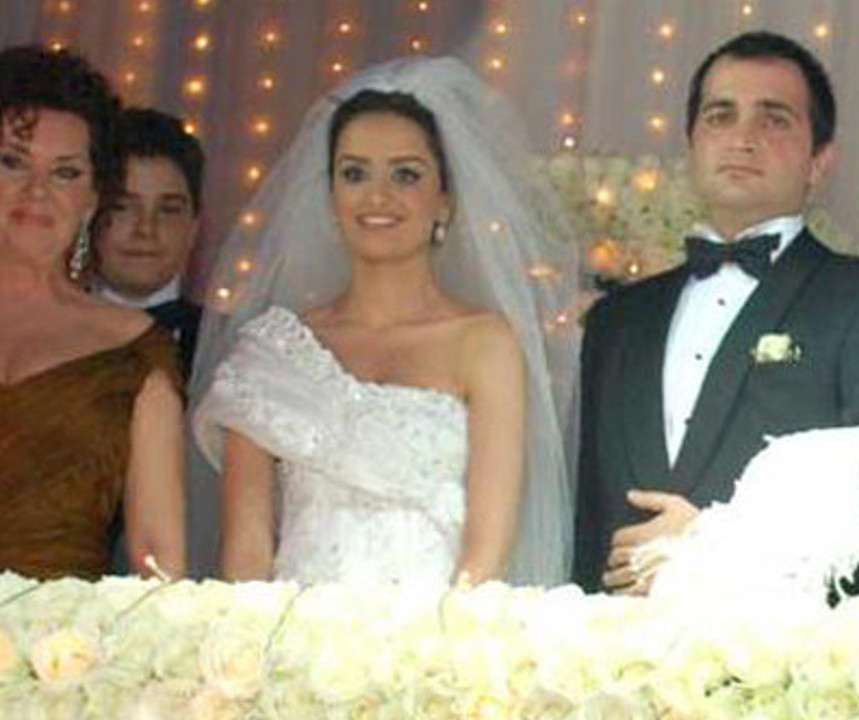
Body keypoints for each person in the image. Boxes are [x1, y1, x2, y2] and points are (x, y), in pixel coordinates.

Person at [574, 31, 859, 604]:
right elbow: (589, 516)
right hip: (615, 648)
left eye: (774, 119)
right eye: (720, 116)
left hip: (797, 650)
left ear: (819, 160)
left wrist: (718, 545)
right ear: (691, 144)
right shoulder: (616, 320)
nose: (742, 138)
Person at [191, 57, 578, 591]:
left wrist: (435, 636)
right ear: (330, 196)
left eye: (406, 174)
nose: (377, 196)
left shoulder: (483, 343)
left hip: (437, 628)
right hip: (293, 628)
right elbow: (247, 549)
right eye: (354, 173)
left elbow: (489, 545)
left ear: (445, 200)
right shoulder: (272, 350)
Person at [0, 45, 186, 580]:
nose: (36, 191)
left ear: (93, 197)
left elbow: (157, 554)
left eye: (65, 172)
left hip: (55, 629)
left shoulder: (135, 348)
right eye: (12, 162)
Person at [92, 107, 204, 378]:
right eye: (122, 207)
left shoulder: (231, 343)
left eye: (168, 210)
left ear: (195, 226)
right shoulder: (41, 330)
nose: (146, 229)